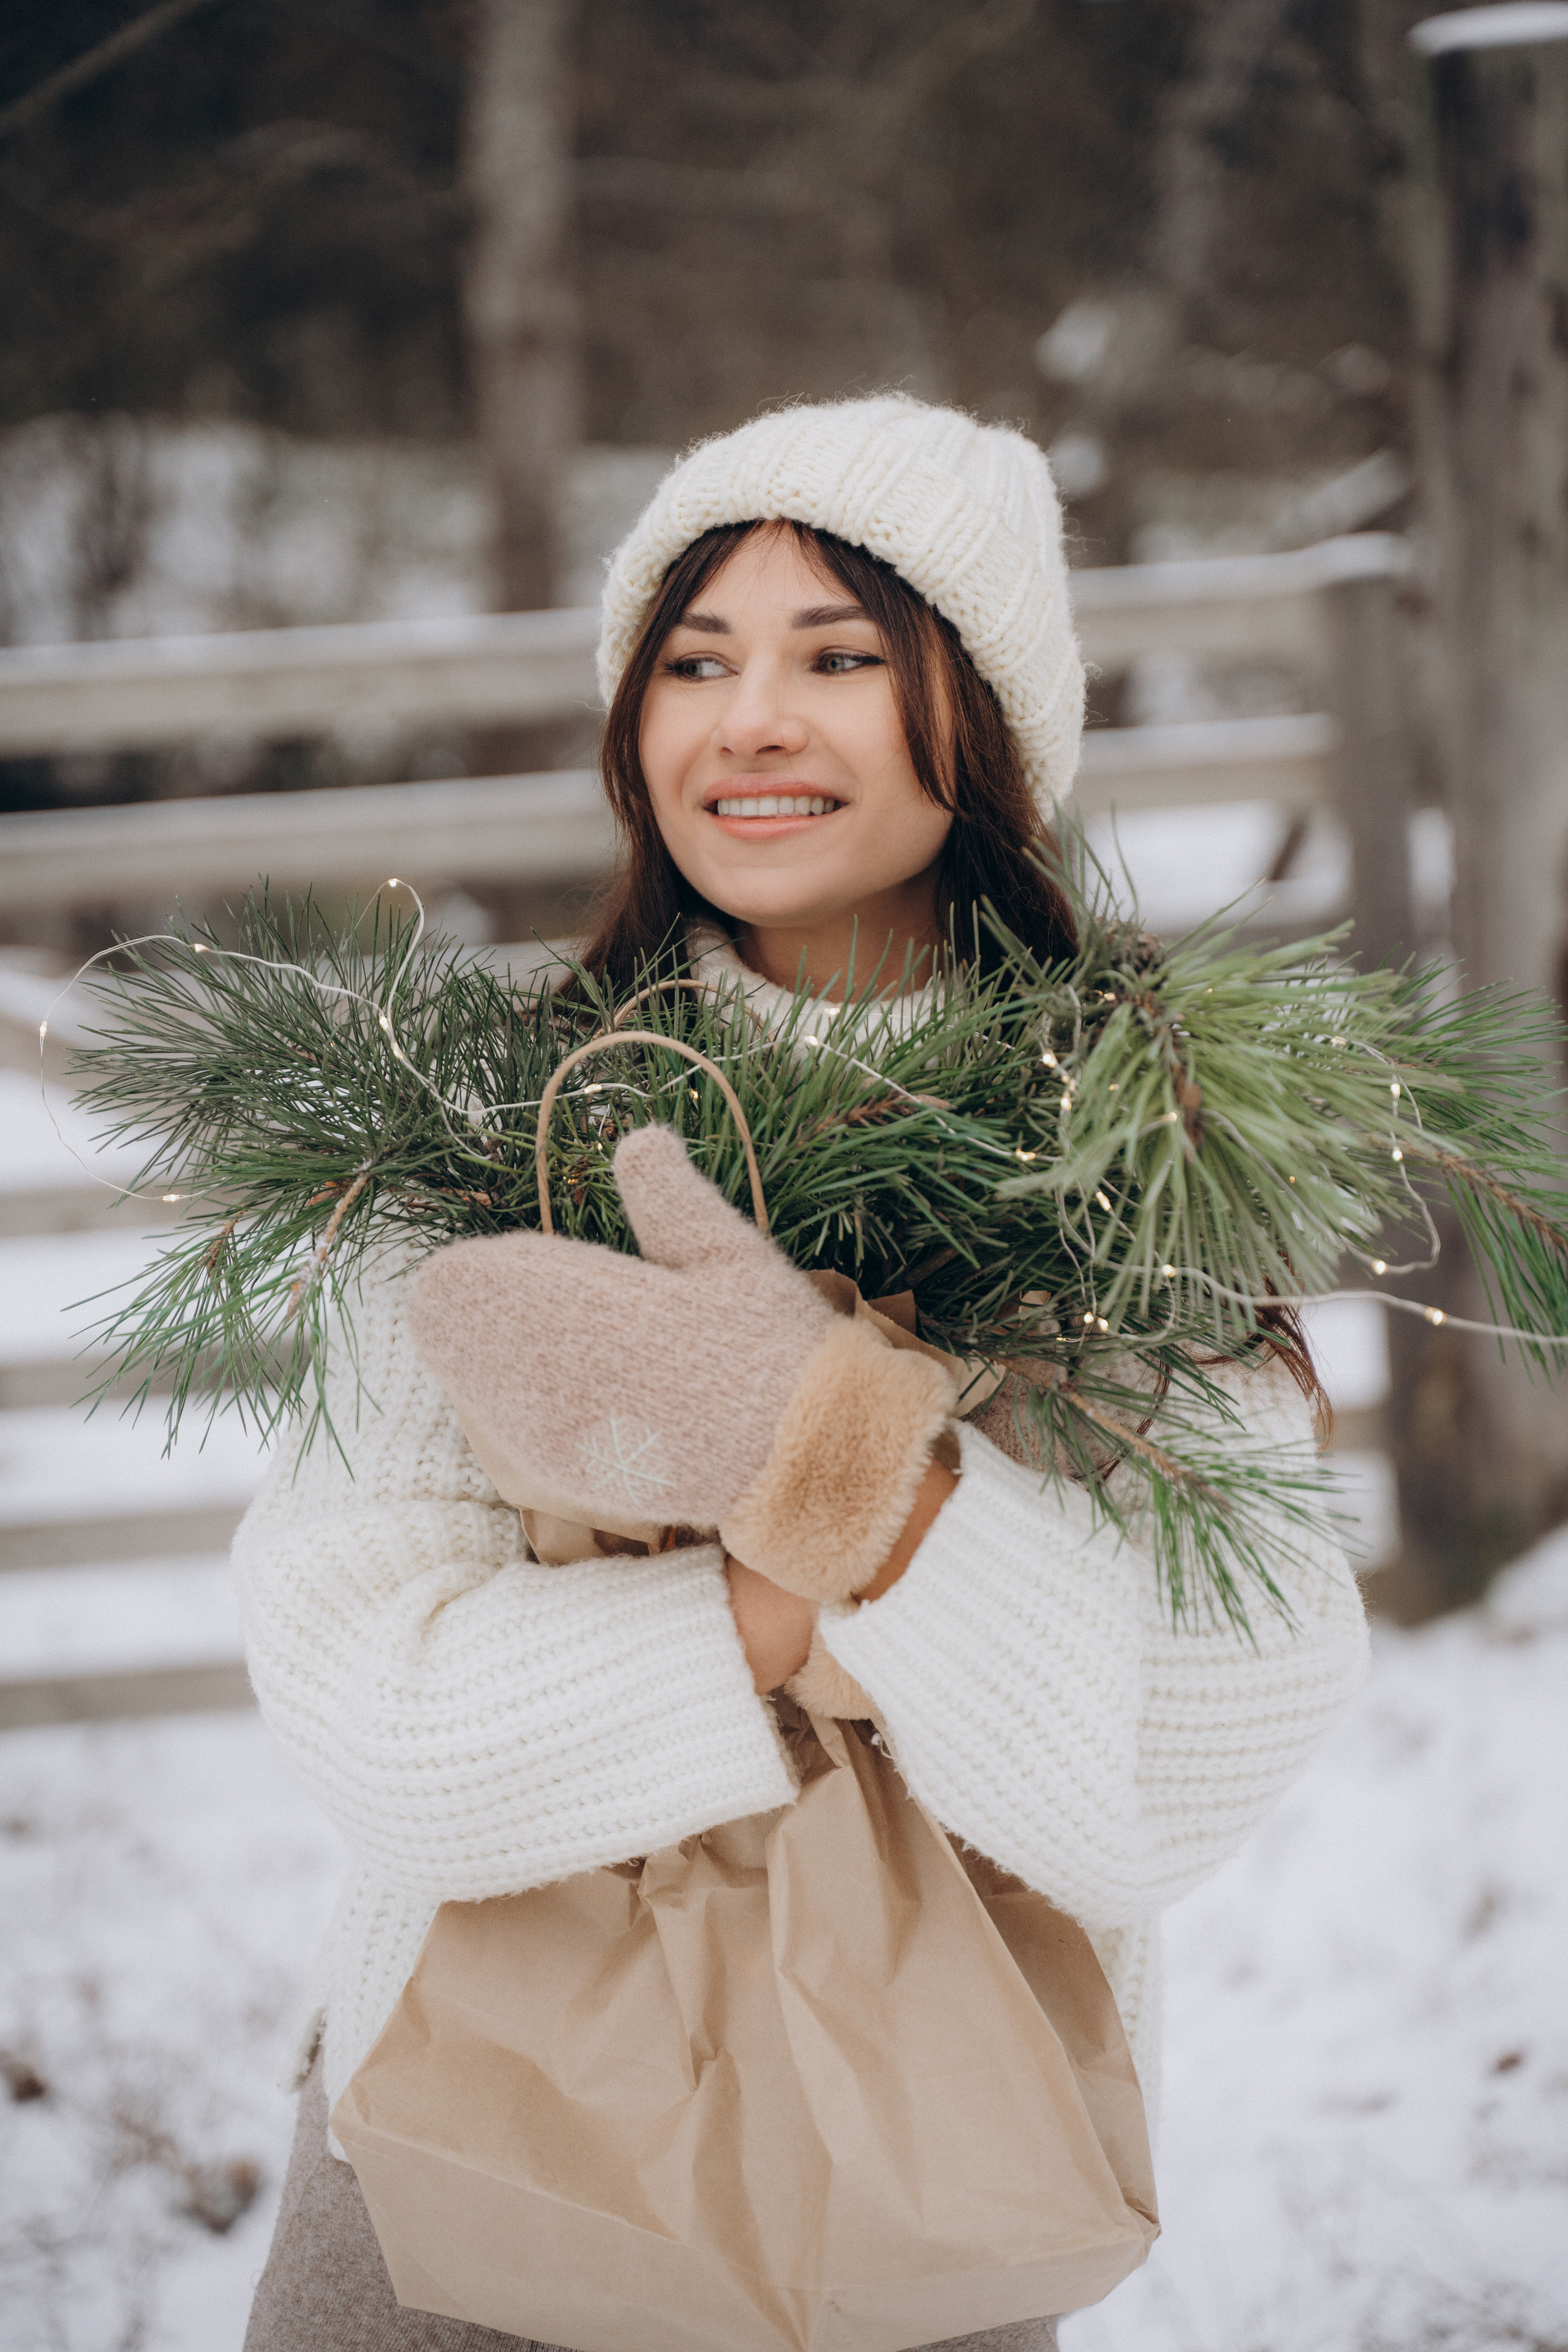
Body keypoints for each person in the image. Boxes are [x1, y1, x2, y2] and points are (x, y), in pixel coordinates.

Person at [240, 396, 1368, 2351]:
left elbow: (1157, 1777)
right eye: (695, 663)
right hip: (460, 2165)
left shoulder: (1141, 1162)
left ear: (987, 725)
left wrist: (854, 1463)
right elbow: (377, 1718)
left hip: (930, 2185)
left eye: (840, 658)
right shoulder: (490, 1138)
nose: (749, 718)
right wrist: (791, 1609)